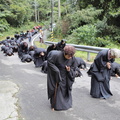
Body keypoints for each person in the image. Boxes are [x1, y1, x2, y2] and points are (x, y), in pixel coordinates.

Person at [47, 45, 77, 111]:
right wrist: (56, 71)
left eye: (71, 56)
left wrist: (69, 70)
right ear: (64, 53)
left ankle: (66, 103)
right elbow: (50, 62)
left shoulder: (72, 58)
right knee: (57, 89)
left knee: (66, 89)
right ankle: (56, 105)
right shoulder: (56, 55)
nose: (70, 57)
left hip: (66, 76)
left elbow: (74, 67)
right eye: (68, 56)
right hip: (57, 75)